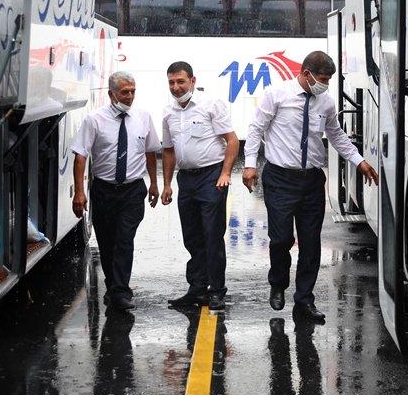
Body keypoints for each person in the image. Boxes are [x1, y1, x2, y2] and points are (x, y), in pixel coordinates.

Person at [243, 51, 378, 323]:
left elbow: (336, 135)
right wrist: (249, 165)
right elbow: (256, 129)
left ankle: (304, 301)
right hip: (280, 178)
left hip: (311, 181)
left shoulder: (326, 103)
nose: (325, 84)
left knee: (310, 244)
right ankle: (278, 283)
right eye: (322, 78)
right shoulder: (277, 95)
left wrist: (358, 160)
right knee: (281, 239)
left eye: (328, 79)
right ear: (306, 73)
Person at [72, 71, 160, 310]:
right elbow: (80, 156)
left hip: (133, 190)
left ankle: (121, 291)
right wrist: (80, 192)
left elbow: (150, 151)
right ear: (111, 94)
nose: (130, 96)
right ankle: (113, 286)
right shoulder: (95, 120)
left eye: (133, 91)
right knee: (107, 241)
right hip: (104, 190)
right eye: (124, 92)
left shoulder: (143, 117)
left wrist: (153, 183)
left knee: (124, 239)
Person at [159, 61, 239, 311]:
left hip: (211, 177)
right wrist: (167, 184)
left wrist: (225, 173)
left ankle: (216, 291)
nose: (176, 87)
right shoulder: (168, 112)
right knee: (192, 236)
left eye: (180, 81)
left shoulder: (210, 104)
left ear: (192, 80)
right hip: (187, 180)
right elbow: (169, 150)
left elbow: (232, 140)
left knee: (212, 235)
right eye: (171, 82)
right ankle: (197, 288)